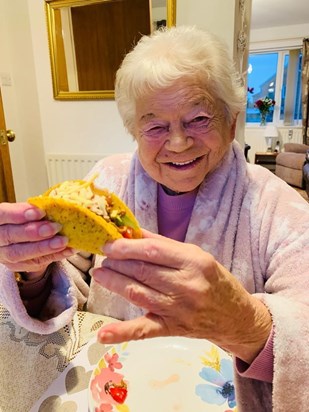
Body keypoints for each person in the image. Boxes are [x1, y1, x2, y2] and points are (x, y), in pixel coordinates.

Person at [0, 26, 308, 411]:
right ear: (134, 132)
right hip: (114, 388)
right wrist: (34, 270)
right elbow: (70, 278)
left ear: (231, 122)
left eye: (198, 119)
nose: (178, 142)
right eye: (156, 127)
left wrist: (246, 323)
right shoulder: (106, 182)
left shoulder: (279, 208)